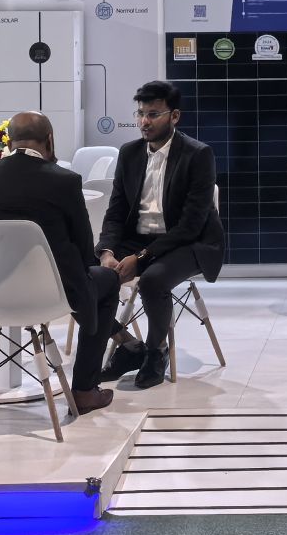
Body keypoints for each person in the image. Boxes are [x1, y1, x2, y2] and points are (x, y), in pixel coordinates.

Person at [0, 110, 119, 416]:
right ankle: (84, 390)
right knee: (107, 282)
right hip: (49, 297)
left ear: (8, 143)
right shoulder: (66, 181)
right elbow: (84, 251)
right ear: (50, 140)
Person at [96, 79, 226, 390]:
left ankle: (156, 351)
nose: (144, 121)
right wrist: (107, 251)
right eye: (141, 114)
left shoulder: (198, 154)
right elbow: (116, 212)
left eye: (153, 114)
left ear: (174, 116)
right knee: (76, 272)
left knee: (152, 280)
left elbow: (191, 225)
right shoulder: (129, 153)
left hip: (189, 242)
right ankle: (129, 345)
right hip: (139, 238)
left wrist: (140, 259)